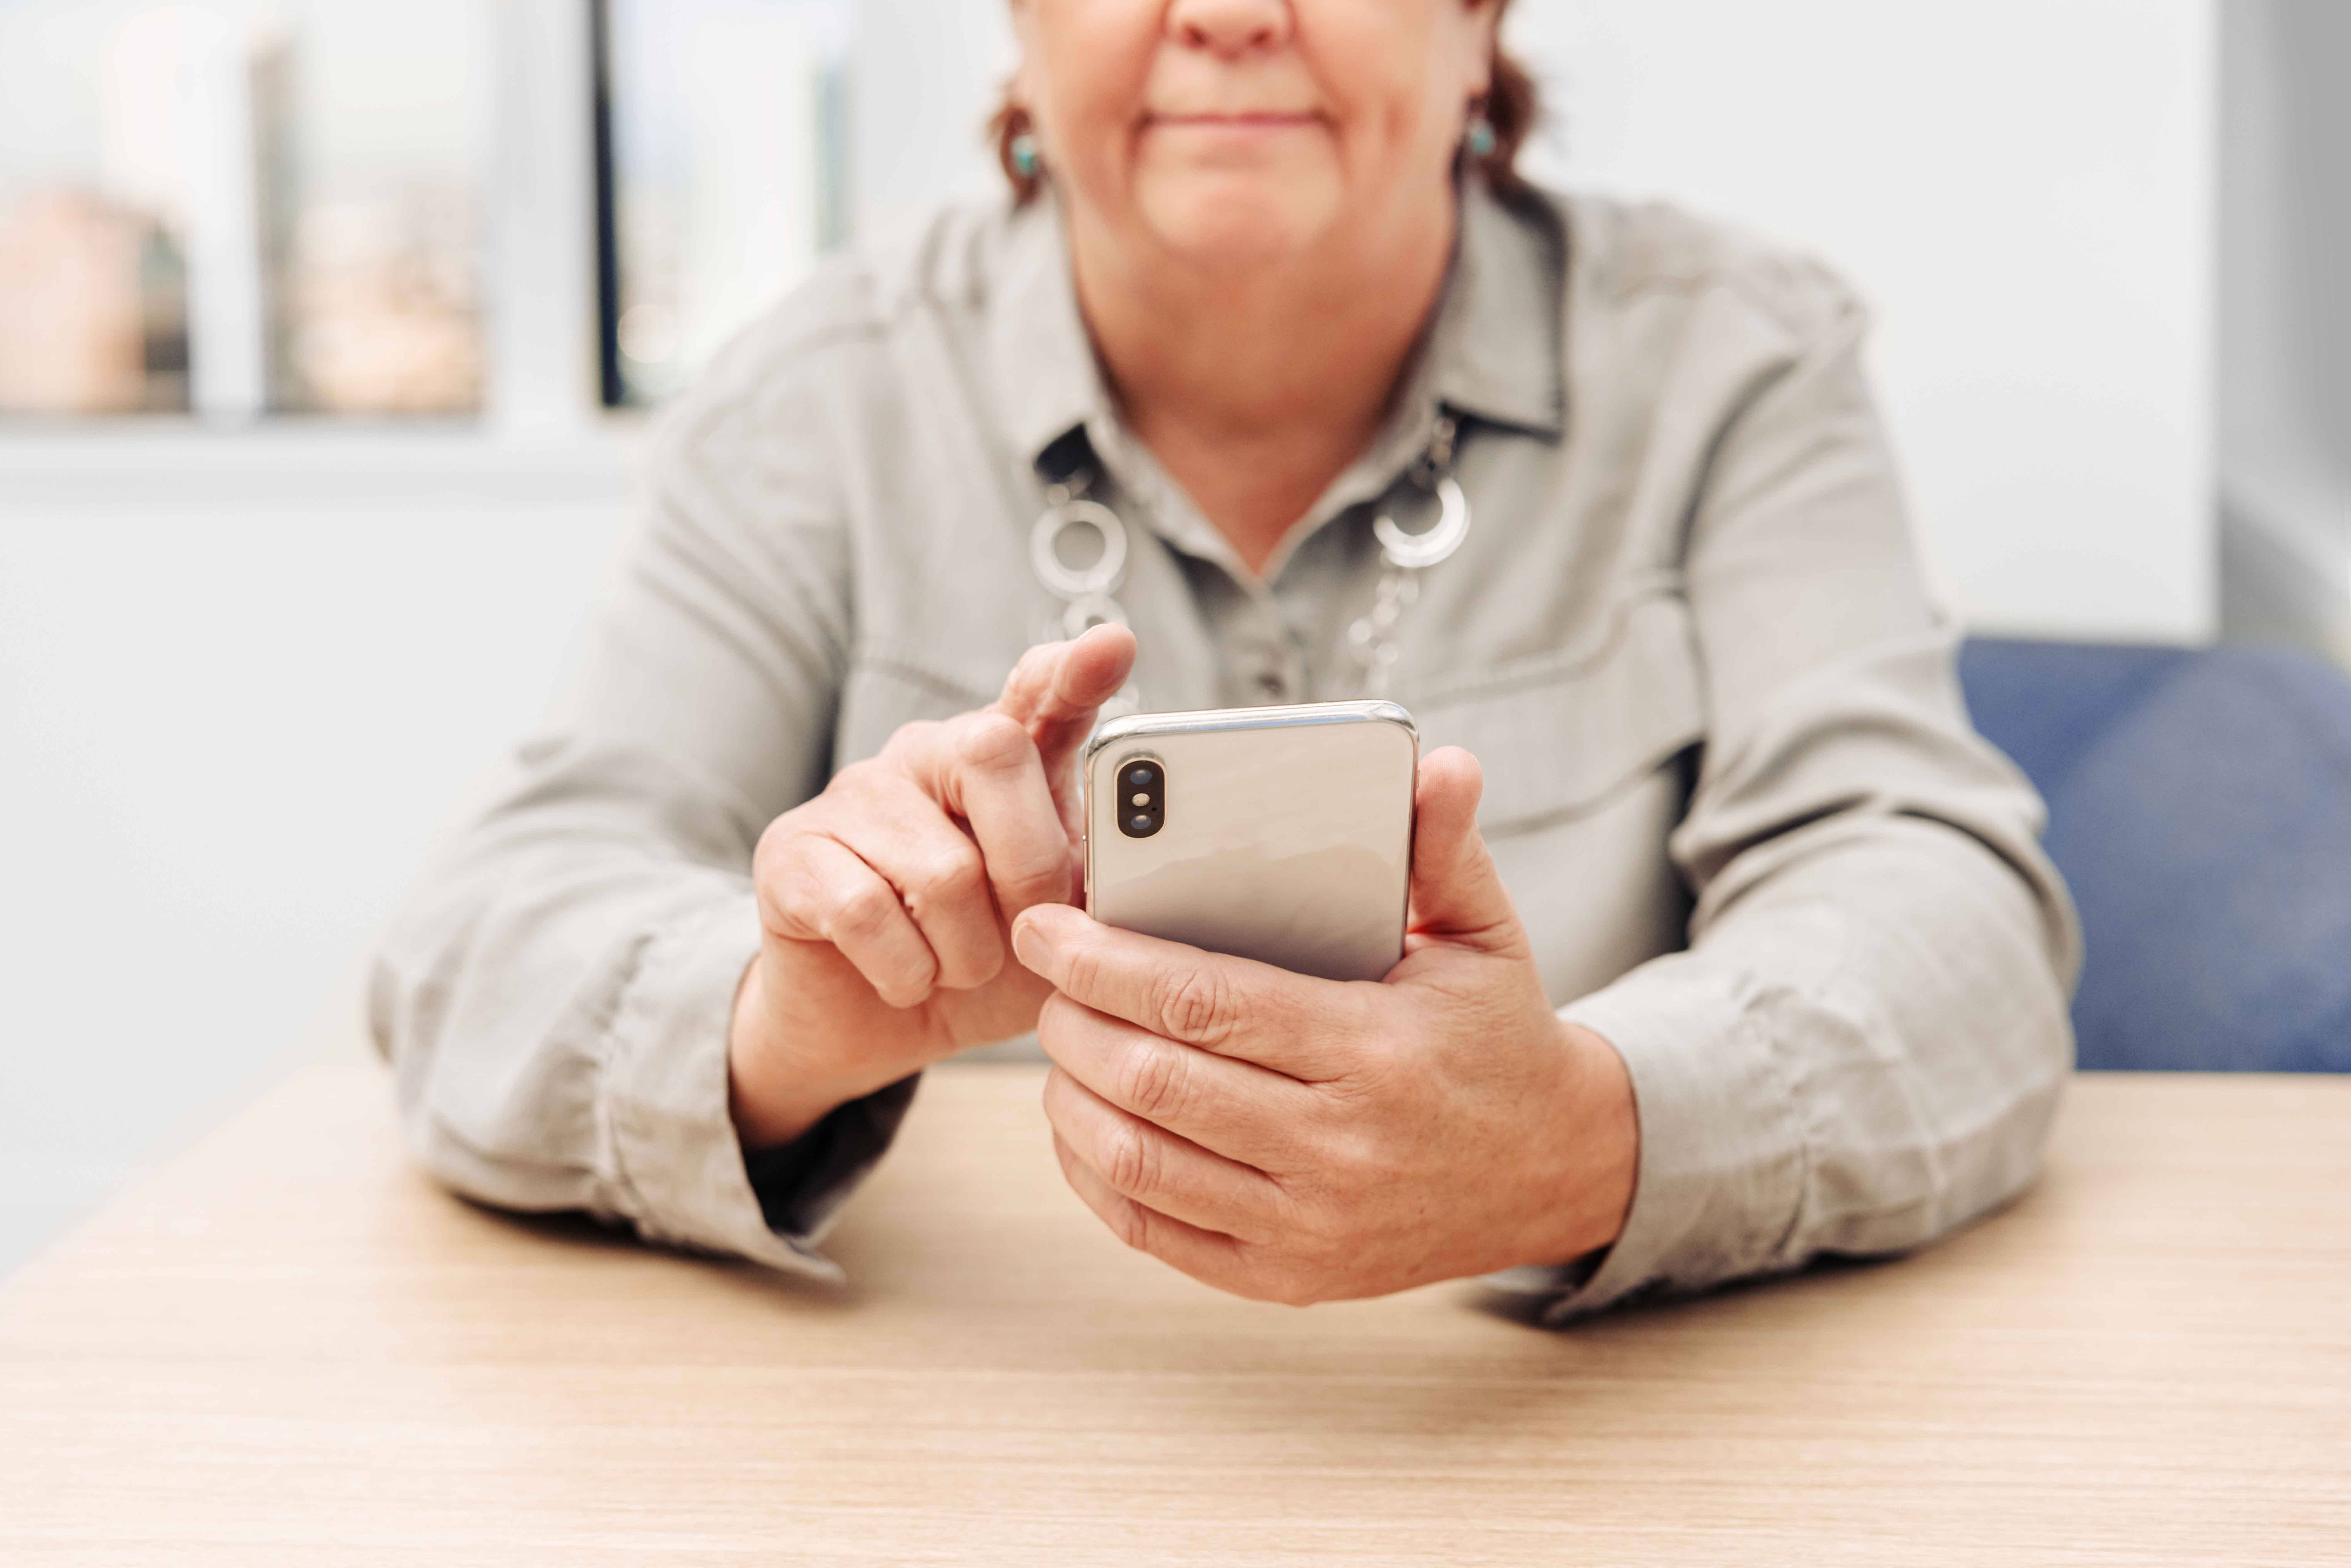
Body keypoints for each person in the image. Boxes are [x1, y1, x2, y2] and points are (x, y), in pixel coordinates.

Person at [372, 0, 2078, 1317]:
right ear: (1021, 31)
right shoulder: (810, 398)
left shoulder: (1734, 361)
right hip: (985, 1458)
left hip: (1587, 1450)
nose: (1229, 11)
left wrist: (1590, 1137)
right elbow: (477, 950)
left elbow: (1944, 920)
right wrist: (780, 1017)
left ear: (1480, 20)